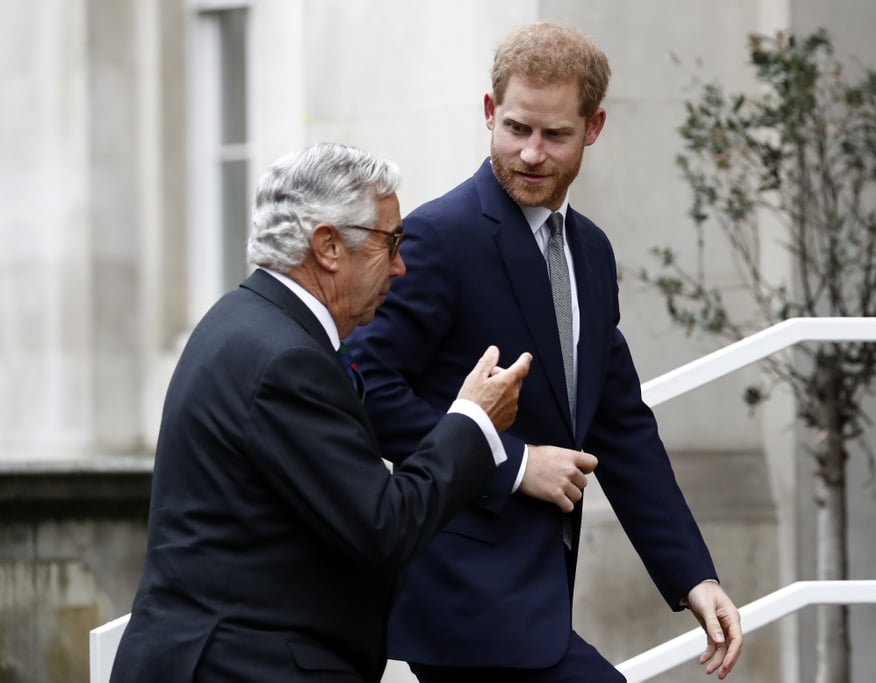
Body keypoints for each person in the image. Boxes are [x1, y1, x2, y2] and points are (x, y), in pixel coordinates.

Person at [347, 22, 743, 682]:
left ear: (593, 128)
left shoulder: (592, 252)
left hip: (533, 598)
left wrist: (693, 575)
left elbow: (621, 426)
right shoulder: (439, 238)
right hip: (462, 599)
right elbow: (362, 388)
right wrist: (513, 463)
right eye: (516, 128)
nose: (530, 153)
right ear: (488, 113)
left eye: (554, 135)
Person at [109, 142, 533, 683]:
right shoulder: (285, 357)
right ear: (328, 246)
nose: (401, 267)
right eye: (391, 242)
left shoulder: (245, 319)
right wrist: (473, 421)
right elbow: (384, 525)